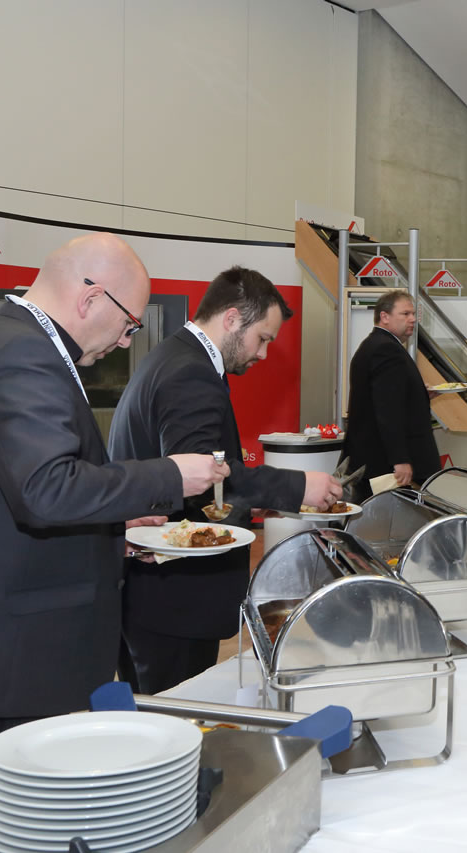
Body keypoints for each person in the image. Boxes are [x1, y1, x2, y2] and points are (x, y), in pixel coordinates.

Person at [0, 233, 229, 791]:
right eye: (129, 324)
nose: (126, 341)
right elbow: (46, 489)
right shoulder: (19, 354)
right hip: (3, 655)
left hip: (3, 642)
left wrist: (115, 527)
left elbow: (4, 496)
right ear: (91, 298)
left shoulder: (8, 342)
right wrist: (168, 475)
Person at [109, 266, 343, 694]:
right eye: (263, 338)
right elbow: (195, 475)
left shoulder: (171, 356)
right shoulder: (191, 372)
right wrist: (297, 489)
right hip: (174, 601)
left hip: (150, 597)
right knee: (177, 717)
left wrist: (249, 503)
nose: (264, 354)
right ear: (232, 319)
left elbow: (187, 477)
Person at [344, 290, 441, 499]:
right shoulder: (386, 350)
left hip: (374, 458)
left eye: (413, 314)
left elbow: (387, 396)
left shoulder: (375, 344)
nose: (412, 319)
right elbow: (387, 409)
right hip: (384, 463)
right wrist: (400, 459)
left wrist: (419, 394)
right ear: (384, 316)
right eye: (405, 314)